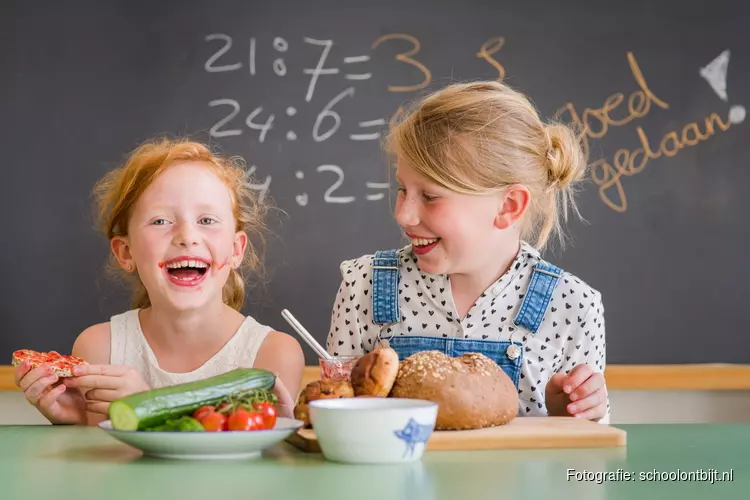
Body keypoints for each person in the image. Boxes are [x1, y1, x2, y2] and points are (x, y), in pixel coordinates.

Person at [326, 81, 610, 422]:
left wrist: (570, 414)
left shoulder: (573, 307)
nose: (403, 214)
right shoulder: (364, 285)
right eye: (403, 189)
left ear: (509, 206)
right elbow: (335, 421)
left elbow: (588, 458)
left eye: (430, 196)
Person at [14, 138, 305, 426]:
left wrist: (147, 404)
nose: (187, 236)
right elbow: (104, 466)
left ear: (236, 249)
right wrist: (77, 424)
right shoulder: (100, 348)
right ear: (125, 252)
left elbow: (252, 462)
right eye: (160, 221)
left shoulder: (272, 354)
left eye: (206, 220)